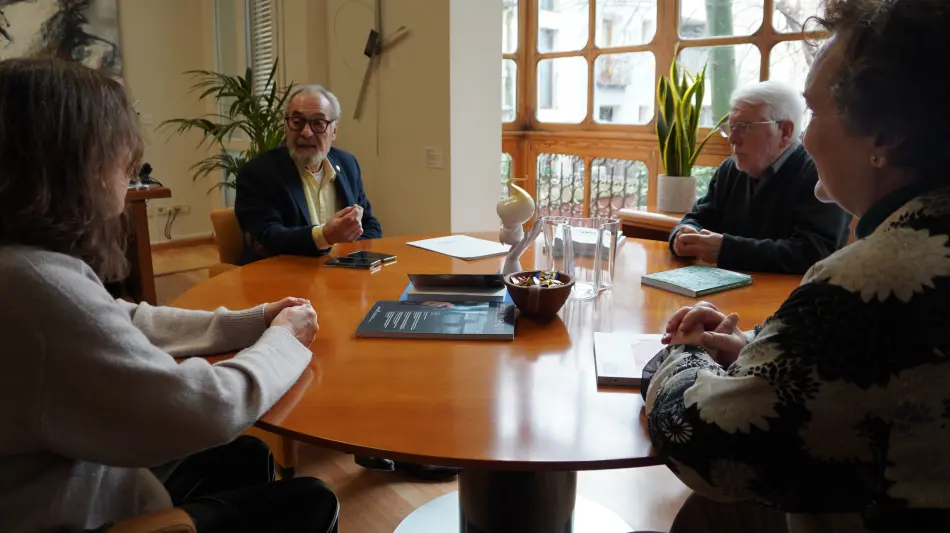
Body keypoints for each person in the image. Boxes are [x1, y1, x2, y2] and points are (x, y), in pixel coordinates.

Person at [644, 0, 950, 531]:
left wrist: (681, 357)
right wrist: (759, 347)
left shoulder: (870, 282)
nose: (808, 136)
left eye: (815, 113)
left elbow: (706, 444)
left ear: (885, 134)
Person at [0, 58, 338, 533]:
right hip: (81, 511)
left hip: (78, 472)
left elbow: (120, 319)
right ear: (76, 163)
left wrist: (251, 320)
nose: (132, 167)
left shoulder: (22, 265)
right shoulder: (35, 287)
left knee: (245, 456)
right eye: (121, 148)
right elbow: (207, 408)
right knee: (312, 499)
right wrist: (283, 340)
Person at [669, 80, 852, 274]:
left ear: (785, 132)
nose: (732, 138)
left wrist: (726, 249)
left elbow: (813, 253)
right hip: (730, 292)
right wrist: (684, 234)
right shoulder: (731, 169)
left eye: (744, 126)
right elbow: (698, 218)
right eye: (731, 127)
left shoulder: (821, 175)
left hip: (793, 297)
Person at [235, 84, 382, 265]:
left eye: (318, 123)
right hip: (280, 278)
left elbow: (370, 225)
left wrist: (343, 258)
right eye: (297, 122)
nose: (306, 132)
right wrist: (324, 237)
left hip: (340, 276)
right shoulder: (258, 173)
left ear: (334, 131)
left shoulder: (347, 164)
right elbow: (266, 237)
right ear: (285, 126)